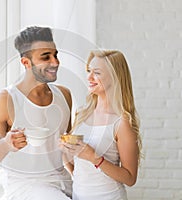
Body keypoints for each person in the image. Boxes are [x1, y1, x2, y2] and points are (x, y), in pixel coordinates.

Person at [0, 26, 73, 200]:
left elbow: (64, 149)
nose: (55, 62)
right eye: (46, 57)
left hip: (64, 183)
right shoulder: (4, 100)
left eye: (55, 55)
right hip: (26, 188)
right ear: (26, 63)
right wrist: (6, 144)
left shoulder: (64, 95)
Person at [60, 50, 142, 200]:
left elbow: (130, 178)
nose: (89, 77)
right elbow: (76, 170)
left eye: (96, 72)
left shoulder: (121, 123)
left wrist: (95, 158)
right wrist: (64, 152)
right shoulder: (82, 114)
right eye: (89, 71)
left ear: (115, 77)